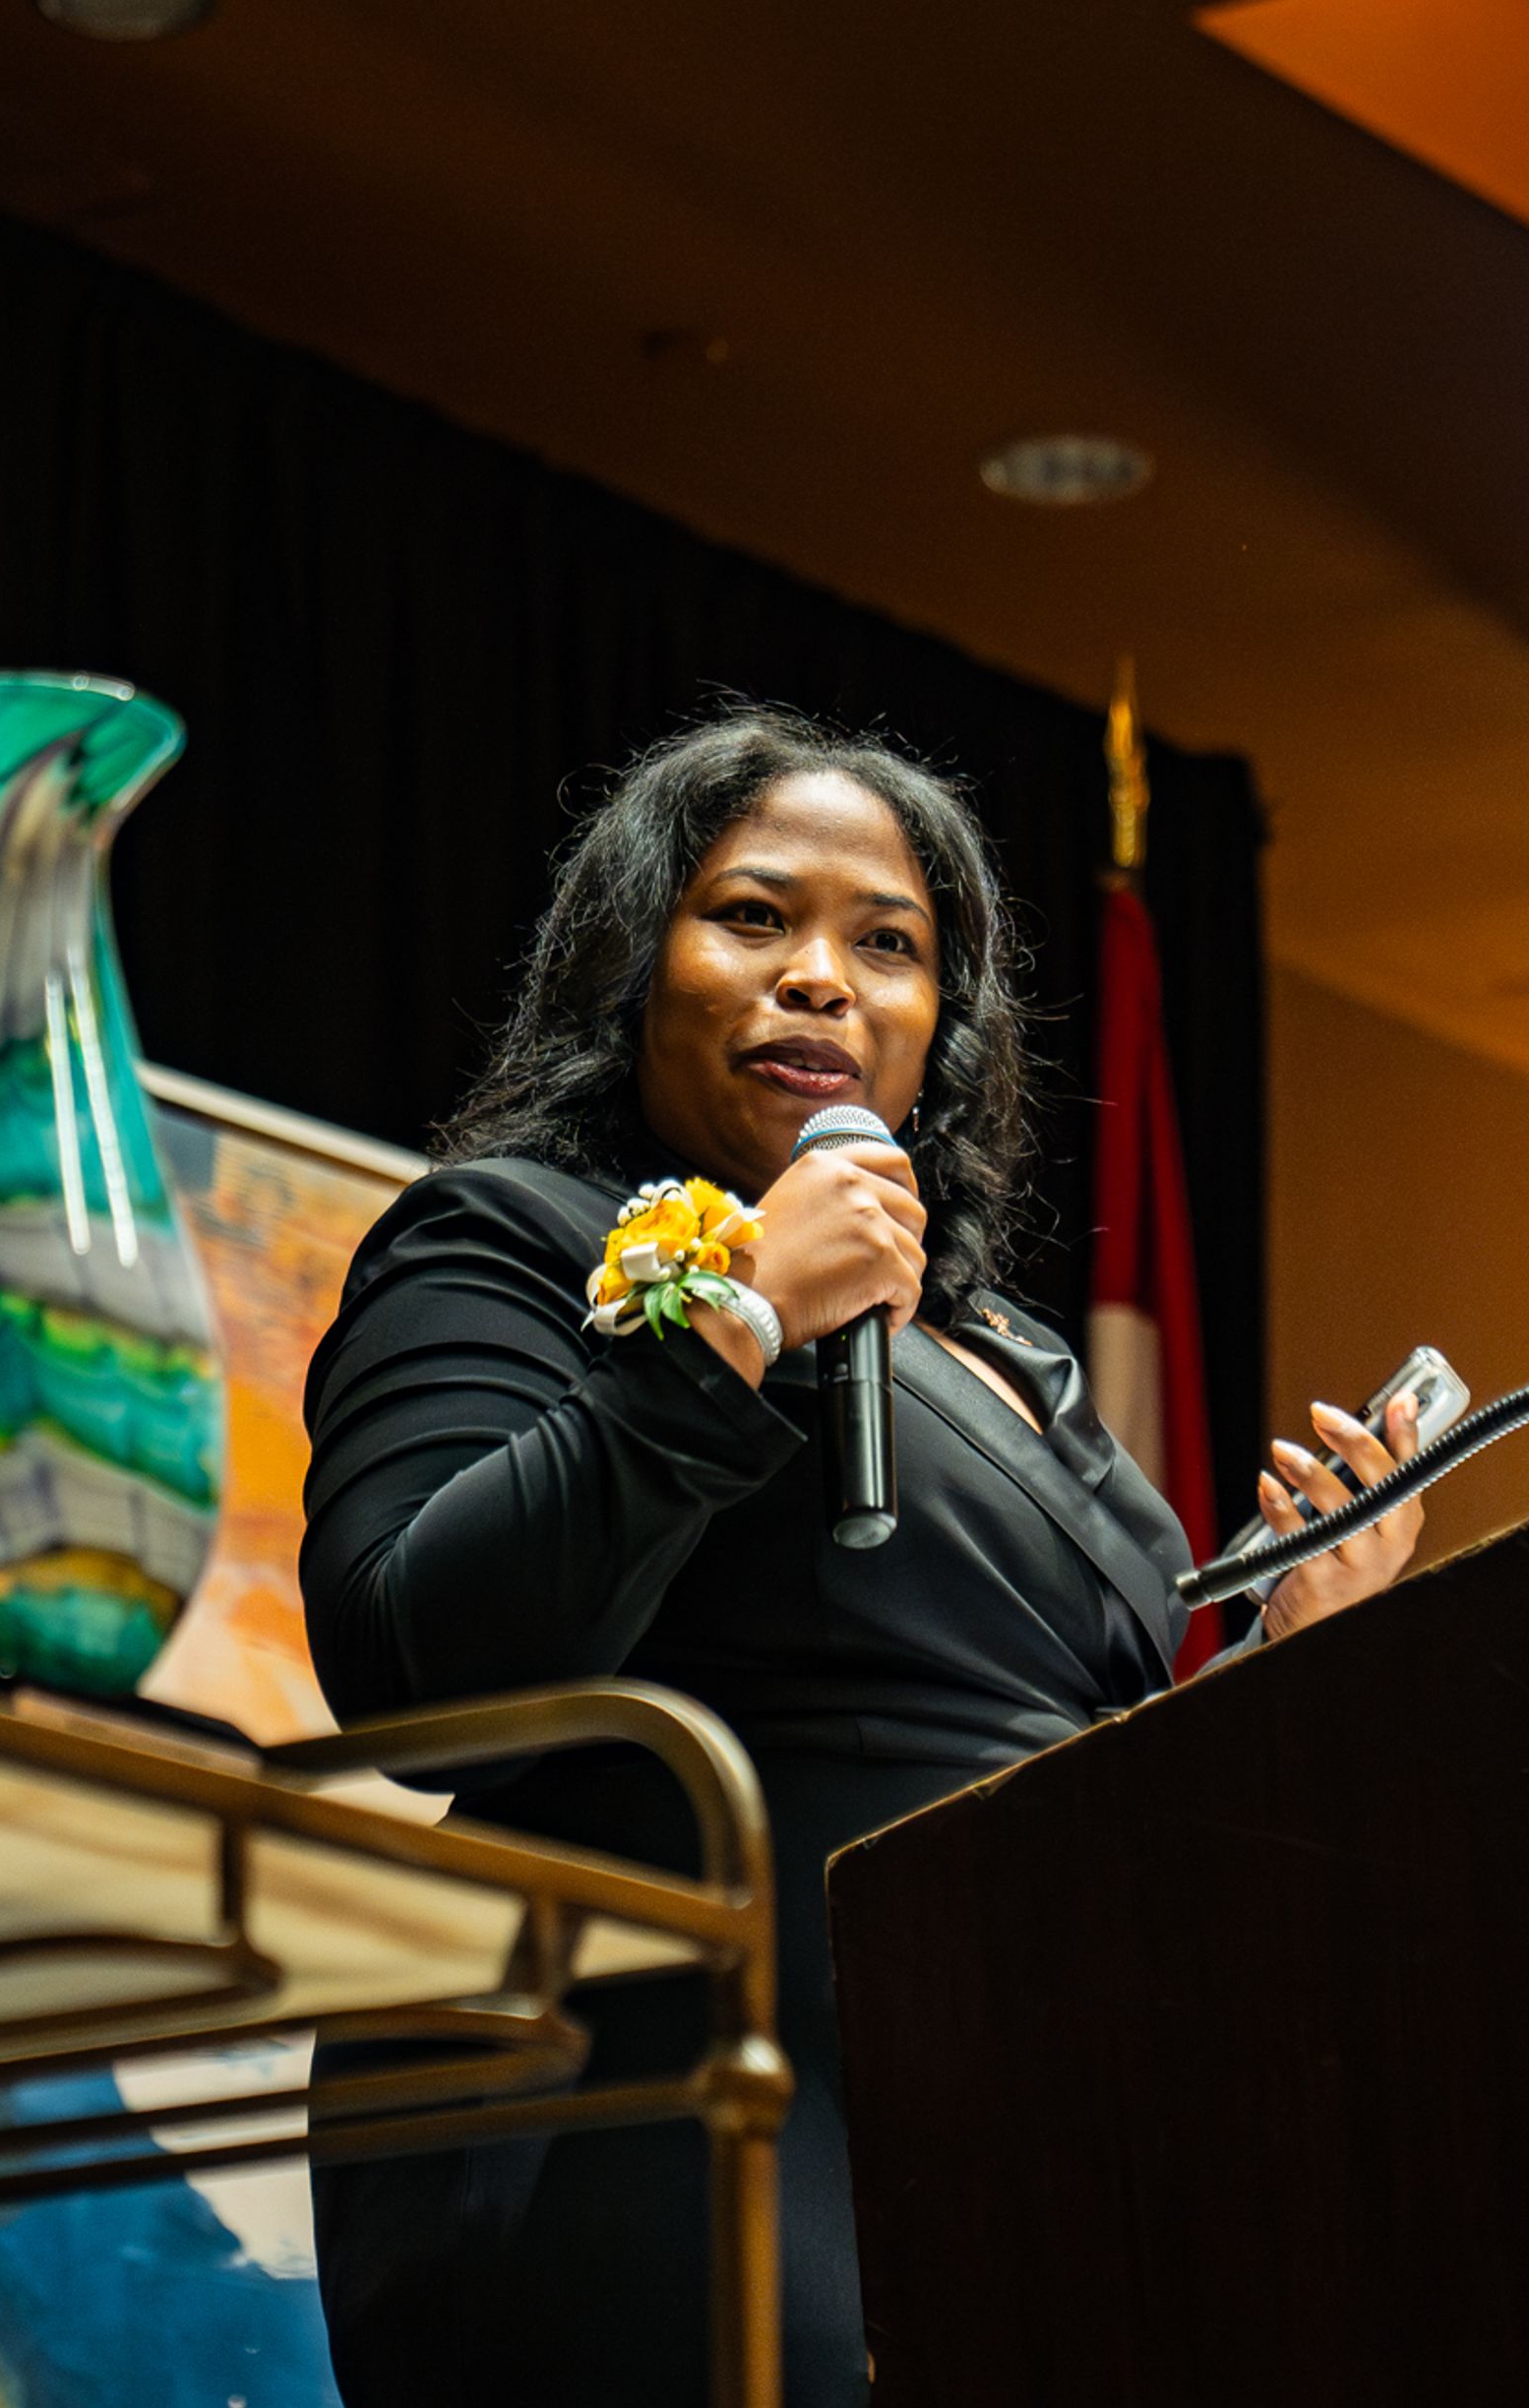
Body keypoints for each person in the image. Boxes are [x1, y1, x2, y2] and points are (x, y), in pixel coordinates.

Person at [298, 706, 1423, 2406]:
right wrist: (737, 1315)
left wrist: (1290, 1652)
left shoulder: (1029, 1370)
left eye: (886, 945)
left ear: (937, 1034)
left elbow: (1096, 1820)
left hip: (1020, 2140)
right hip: (663, 2110)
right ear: (633, 963)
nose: (822, 976)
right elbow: (410, 1666)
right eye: (754, 917)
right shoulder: (514, 1235)